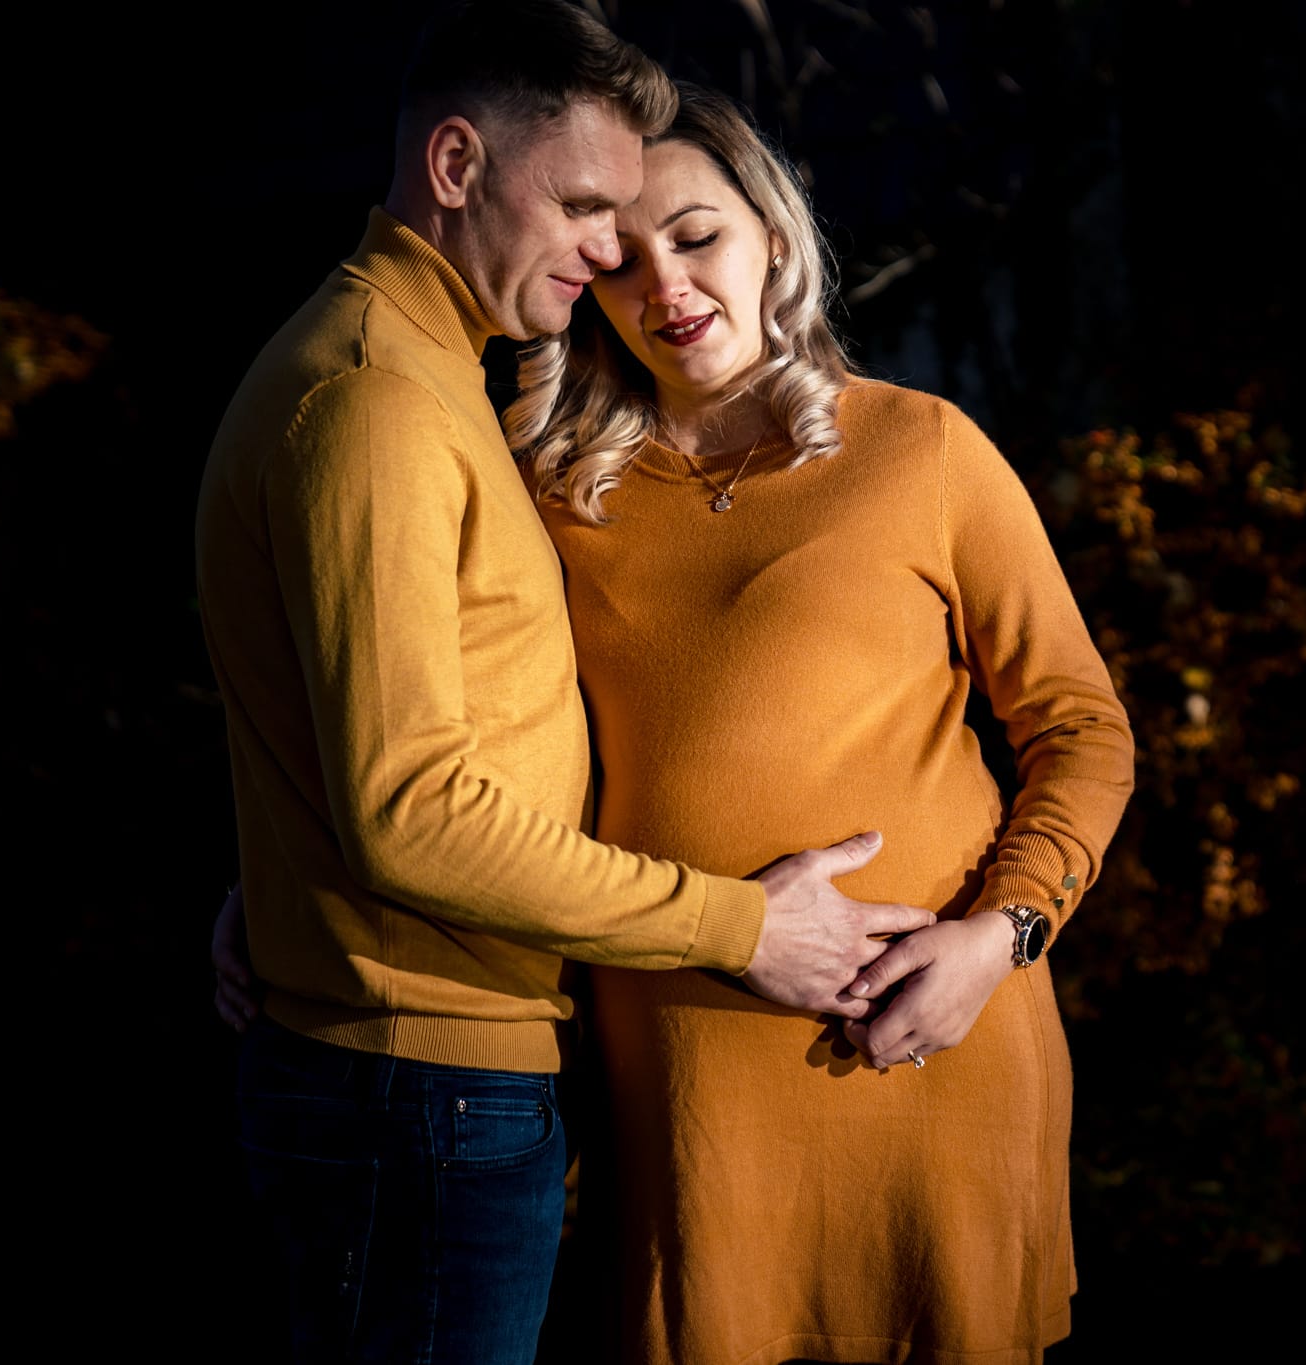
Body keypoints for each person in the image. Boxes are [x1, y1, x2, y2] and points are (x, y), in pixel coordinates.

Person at [195, 6, 933, 1361]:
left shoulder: (422, 377)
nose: (608, 252)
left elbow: (358, 722)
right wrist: (743, 928)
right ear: (456, 164)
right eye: (587, 206)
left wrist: (280, 883)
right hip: (420, 1084)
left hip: (429, 1071)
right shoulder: (375, 403)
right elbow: (411, 811)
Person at [503, 83, 1136, 1364]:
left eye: (697, 236)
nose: (665, 284)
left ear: (772, 235)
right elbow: (443, 734)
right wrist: (287, 893)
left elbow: (1082, 728)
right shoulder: (548, 495)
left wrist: (999, 940)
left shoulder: (920, 447)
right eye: (619, 258)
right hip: (688, 1065)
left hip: (936, 1039)